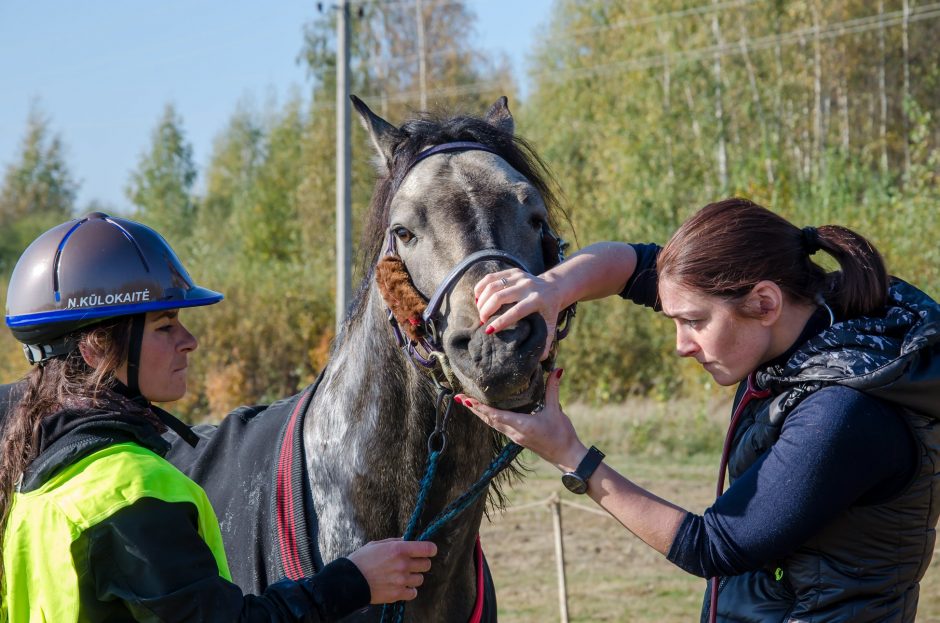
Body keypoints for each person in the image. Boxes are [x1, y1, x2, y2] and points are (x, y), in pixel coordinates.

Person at [458, 197, 940, 622]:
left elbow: (714, 545)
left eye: (693, 322)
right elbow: (630, 264)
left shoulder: (842, 412)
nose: (680, 346)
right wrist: (554, 290)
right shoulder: (819, 322)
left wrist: (570, 454)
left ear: (764, 301)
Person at [0, 212, 436, 622]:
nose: (189, 341)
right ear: (96, 349)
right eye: (165, 326)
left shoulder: (34, 482)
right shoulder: (130, 491)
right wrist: (353, 581)